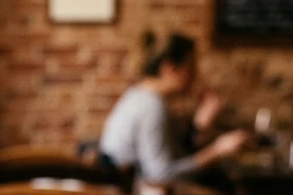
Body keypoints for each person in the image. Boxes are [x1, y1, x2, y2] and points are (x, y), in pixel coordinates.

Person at [99, 32, 248, 182]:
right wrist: (216, 151)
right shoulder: (151, 106)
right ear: (170, 69)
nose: (195, 75)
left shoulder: (140, 94)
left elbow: (177, 154)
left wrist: (200, 125)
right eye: (190, 67)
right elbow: (161, 175)